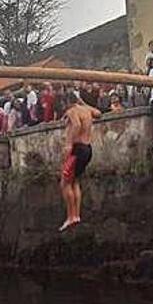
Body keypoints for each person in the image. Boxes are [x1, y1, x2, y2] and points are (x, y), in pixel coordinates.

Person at [58, 92, 101, 232]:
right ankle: (76, 215)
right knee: (74, 180)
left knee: (64, 182)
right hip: (88, 148)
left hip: (77, 149)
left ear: (67, 102)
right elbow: (98, 113)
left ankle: (71, 216)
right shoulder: (86, 110)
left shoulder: (72, 111)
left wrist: (68, 144)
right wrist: (83, 103)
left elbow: (76, 125)